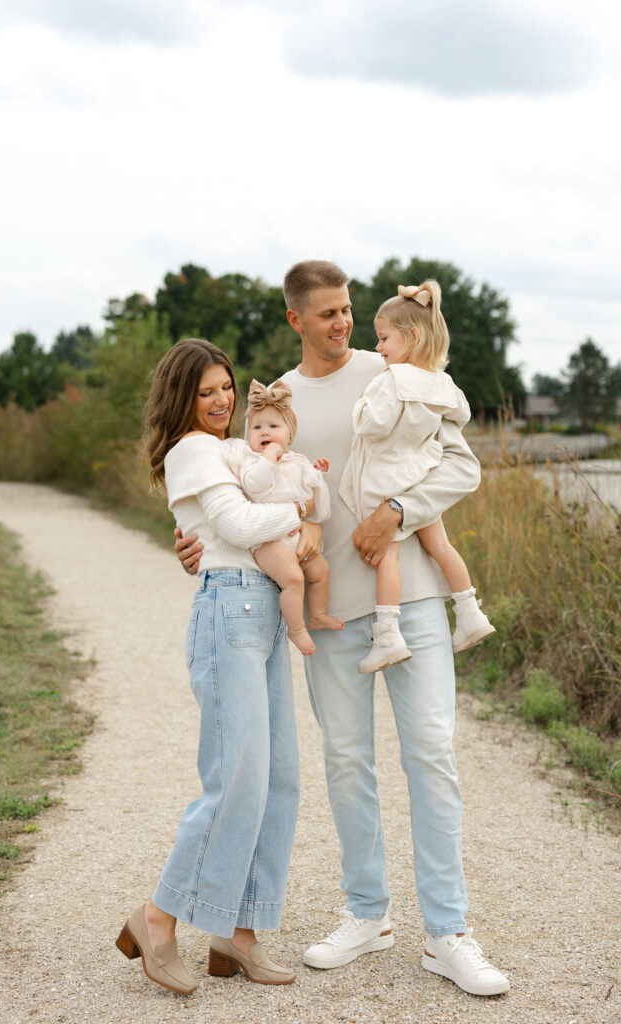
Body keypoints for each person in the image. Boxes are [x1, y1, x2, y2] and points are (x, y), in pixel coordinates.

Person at [176, 264, 510, 997]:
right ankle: (366, 913)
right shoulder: (276, 400)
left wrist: (396, 511)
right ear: (295, 320)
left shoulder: (395, 367)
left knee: (430, 753)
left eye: (349, 310)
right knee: (347, 763)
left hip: (412, 598)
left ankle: (448, 932)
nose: (343, 324)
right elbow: (237, 489)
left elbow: (462, 465)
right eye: (326, 314)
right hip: (328, 615)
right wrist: (195, 541)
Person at [116, 338, 319, 994]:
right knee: (235, 780)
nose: (222, 400)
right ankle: (157, 918)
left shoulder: (234, 449)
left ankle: (238, 936)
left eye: (225, 387)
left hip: (260, 610)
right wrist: (299, 513)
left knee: (278, 779)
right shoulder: (192, 449)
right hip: (228, 613)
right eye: (206, 392)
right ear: (183, 398)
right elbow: (233, 526)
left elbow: (232, 523)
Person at [339, 279, 495, 675]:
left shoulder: (392, 380)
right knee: (442, 547)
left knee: (388, 557)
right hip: (420, 475)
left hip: (388, 480)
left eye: (384, 338)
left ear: (411, 336)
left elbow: (374, 426)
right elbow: (459, 417)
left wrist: (360, 406)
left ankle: (388, 635)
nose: (378, 348)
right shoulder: (443, 383)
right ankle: (470, 612)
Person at [223, 377, 344, 656]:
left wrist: (317, 474)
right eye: (257, 427)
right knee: (293, 577)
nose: (265, 432)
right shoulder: (251, 462)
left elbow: (312, 499)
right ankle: (297, 629)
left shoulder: (297, 461)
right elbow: (255, 486)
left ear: (290, 435)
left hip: (297, 535)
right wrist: (269, 457)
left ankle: (317, 613)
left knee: (320, 571)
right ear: (248, 435)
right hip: (269, 541)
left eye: (273, 427)